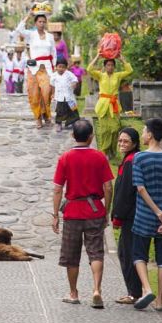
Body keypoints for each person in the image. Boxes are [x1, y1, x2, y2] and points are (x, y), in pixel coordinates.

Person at [52, 119, 114, 309]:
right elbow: (108, 186)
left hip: (72, 212)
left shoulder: (65, 157)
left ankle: (73, 293)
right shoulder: (100, 157)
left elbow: (57, 189)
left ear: (73, 136)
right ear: (91, 137)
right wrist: (106, 210)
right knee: (95, 252)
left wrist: (55, 215)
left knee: (71, 255)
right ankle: (96, 289)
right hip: (94, 210)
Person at [132, 118, 162, 312]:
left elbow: (141, 189)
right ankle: (160, 301)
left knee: (139, 255)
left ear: (150, 135)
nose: (143, 134)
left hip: (144, 215)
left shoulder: (139, 158)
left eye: (144, 131)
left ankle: (147, 289)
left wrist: (156, 211)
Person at [111, 127, 142, 304]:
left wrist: (117, 217)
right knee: (127, 251)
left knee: (127, 253)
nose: (122, 144)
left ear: (135, 144)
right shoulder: (130, 159)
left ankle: (134, 292)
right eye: (120, 141)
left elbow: (124, 193)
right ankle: (135, 290)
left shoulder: (131, 161)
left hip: (130, 216)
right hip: (131, 215)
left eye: (126, 141)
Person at [87, 54, 133, 159]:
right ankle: (104, 151)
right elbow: (89, 69)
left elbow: (130, 71)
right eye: (108, 65)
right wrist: (97, 56)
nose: (110, 67)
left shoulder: (118, 75)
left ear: (114, 67)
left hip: (114, 104)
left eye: (112, 65)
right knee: (104, 130)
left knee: (115, 129)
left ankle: (112, 149)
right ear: (104, 66)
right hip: (103, 105)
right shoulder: (100, 75)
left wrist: (122, 59)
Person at [16, 12, 57, 128]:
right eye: (39, 21)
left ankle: (46, 114)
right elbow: (19, 29)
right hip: (33, 68)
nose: (42, 24)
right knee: (34, 94)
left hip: (47, 68)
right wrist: (28, 14)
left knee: (46, 93)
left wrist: (53, 67)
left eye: (44, 22)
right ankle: (38, 117)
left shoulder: (50, 36)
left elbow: (53, 52)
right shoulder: (31, 35)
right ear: (35, 23)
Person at [50, 57, 80, 132]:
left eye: (63, 67)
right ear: (56, 67)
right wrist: (53, 93)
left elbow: (75, 80)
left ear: (66, 67)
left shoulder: (69, 74)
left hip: (69, 96)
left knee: (73, 110)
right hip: (59, 97)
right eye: (59, 67)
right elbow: (52, 85)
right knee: (60, 111)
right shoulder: (54, 76)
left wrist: (74, 84)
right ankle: (58, 123)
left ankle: (73, 122)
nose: (61, 69)